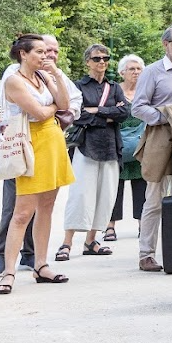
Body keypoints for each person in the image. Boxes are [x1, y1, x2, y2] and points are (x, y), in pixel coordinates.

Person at [0, 35, 81, 277]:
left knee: (47, 206)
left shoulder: (43, 75)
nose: (46, 56)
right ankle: (9, 270)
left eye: (48, 52)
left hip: (52, 140)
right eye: (40, 52)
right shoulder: (13, 80)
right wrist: (54, 109)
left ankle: (41, 264)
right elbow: (42, 113)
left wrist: (57, 77)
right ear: (23, 53)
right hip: (30, 142)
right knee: (22, 211)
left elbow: (65, 102)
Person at [131, 24, 172, 272]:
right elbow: (138, 107)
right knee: (154, 198)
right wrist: (166, 117)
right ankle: (146, 253)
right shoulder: (152, 71)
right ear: (165, 44)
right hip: (159, 138)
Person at [59, 45, 129, 260]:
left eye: (105, 58)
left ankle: (91, 241)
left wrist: (96, 111)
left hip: (110, 146)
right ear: (87, 61)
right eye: (97, 58)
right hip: (86, 146)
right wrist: (108, 115)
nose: (102, 62)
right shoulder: (78, 86)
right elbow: (77, 115)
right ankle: (66, 243)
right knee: (80, 194)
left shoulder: (115, 87)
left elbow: (124, 112)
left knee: (105, 195)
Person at [106, 55, 146, 243]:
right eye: (131, 69)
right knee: (115, 185)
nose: (136, 72)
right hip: (118, 142)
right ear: (122, 72)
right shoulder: (114, 91)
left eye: (139, 69)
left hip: (141, 144)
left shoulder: (146, 91)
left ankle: (142, 224)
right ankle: (110, 226)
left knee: (142, 184)